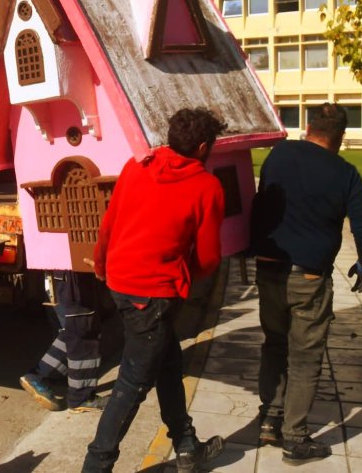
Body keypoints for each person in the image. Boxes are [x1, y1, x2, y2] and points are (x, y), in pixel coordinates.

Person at [82, 108, 228, 473]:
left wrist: (101, 266)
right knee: (131, 385)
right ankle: (95, 466)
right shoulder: (207, 186)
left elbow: (109, 223)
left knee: (167, 361)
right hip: (154, 294)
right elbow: (209, 259)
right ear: (203, 146)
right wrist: (180, 279)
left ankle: (187, 446)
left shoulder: (137, 166)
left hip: (120, 281)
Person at [250, 102, 362, 465]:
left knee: (274, 344)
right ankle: (295, 437)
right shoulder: (345, 172)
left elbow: (261, 203)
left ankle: (270, 420)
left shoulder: (279, 154)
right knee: (305, 358)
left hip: (270, 268)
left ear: (308, 127)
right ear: (340, 136)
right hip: (309, 275)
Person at [20, 271, 109, 413]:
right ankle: (80, 396)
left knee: (72, 331)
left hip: (60, 279)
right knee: (82, 331)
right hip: (72, 282)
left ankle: (39, 376)